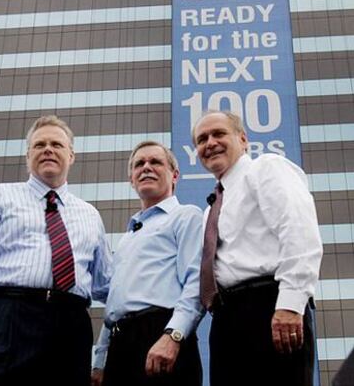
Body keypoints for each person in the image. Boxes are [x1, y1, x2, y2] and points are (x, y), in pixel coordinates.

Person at [0, 115, 112, 385]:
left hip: (71, 326)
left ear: (71, 156)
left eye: (56, 144)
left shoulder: (90, 215)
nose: (48, 149)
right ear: (27, 157)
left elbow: (107, 285)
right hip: (9, 320)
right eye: (39, 145)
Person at [193, 110, 323, 386]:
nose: (210, 142)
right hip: (227, 319)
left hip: (270, 306)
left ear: (243, 139)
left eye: (219, 134)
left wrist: (290, 303)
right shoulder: (211, 210)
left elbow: (298, 229)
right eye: (202, 139)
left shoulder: (266, 168)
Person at [91, 141, 203, 386]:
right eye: (139, 164)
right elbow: (115, 304)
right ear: (131, 179)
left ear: (174, 176)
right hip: (121, 346)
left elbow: (196, 283)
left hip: (160, 334)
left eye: (156, 162)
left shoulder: (186, 217)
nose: (146, 168)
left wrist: (173, 335)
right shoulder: (128, 237)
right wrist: (100, 361)